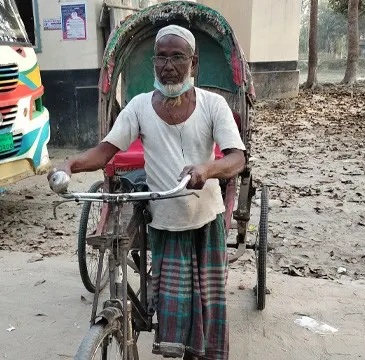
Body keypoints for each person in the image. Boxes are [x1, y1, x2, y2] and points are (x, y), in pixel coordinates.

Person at [48, 24, 246, 360]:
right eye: (162, 57)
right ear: (154, 62)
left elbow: (237, 158)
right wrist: (69, 166)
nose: (168, 65)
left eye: (178, 57)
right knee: (173, 306)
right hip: (166, 225)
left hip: (206, 220)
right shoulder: (139, 107)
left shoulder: (213, 105)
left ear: (193, 63)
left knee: (210, 305)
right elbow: (106, 150)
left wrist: (206, 169)